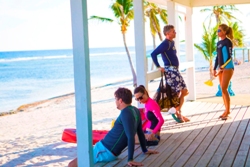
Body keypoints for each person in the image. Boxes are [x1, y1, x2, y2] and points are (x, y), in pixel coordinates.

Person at [68, 87, 159, 167]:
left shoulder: (125, 113)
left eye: (115, 99)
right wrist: (144, 149)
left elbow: (130, 136)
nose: (115, 102)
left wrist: (130, 159)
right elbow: (139, 132)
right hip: (104, 149)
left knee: (71, 165)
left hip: (104, 151)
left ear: (120, 100)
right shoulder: (135, 110)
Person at [150, 24, 189, 122]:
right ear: (167, 33)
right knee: (178, 93)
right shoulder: (165, 43)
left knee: (182, 92)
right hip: (171, 71)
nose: (175, 32)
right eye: (173, 31)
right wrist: (158, 66)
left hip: (175, 70)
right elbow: (153, 54)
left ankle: (177, 112)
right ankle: (177, 112)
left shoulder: (172, 43)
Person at [213, 24, 234, 120]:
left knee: (224, 88)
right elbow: (218, 57)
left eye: (219, 30)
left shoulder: (228, 42)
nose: (218, 32)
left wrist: (223, 66)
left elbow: (229, 57)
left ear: (224, 32)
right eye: (217, 30)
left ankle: (228, 111)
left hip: (228, 67)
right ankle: (226, 110)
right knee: (222, 89)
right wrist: (214, 68)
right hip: (221, 68)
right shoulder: (218, 43)